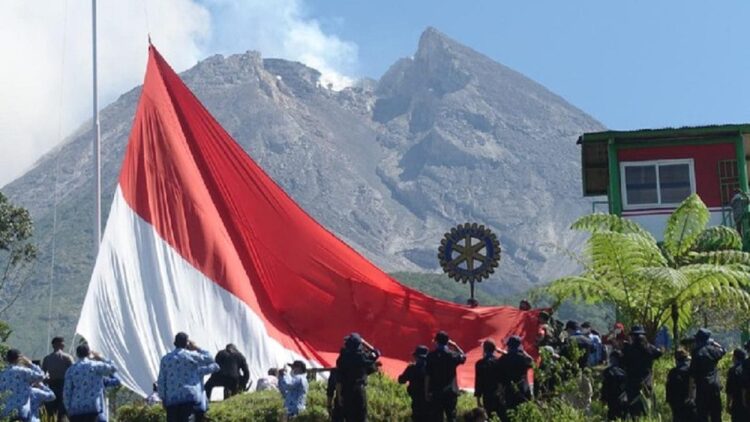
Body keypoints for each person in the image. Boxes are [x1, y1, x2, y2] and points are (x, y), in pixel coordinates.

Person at [157, 332, 219, 422]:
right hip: (188, 396)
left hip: (171, 398)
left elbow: (162, 380)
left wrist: (163, 397)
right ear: (187, 343)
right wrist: (196, 348)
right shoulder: (191, 356)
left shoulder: (166, 359)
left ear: (175, 343)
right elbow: (209, 358)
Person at [63, 344, 117, 422]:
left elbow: (67, 392)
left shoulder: (71, 370)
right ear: (88, 353)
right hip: (93, 408)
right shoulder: (95, 366)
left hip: (76, 410)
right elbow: (114, 368)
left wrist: (68, 409)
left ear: (77, 354)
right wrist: (101, 358)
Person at [335, 333, 380, 422]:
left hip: (346, 390)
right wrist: (364, 342)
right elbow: (376, 353)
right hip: (358, 390)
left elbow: (339, 378)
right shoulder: (361, 357)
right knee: (361, 416)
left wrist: (339, 395)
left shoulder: (342, 358)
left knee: (349, 417)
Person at [621, 325, 662, 418]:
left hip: (632, 384)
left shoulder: (629, 350)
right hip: (646, 384)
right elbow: (659, 353)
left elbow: (623, 362)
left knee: (634, 411)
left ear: (633, 337)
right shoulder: (649, 349)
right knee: (647, 409)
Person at [425, 331, 466, 422]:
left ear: (436, 341)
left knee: (436, 417)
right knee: (451, 417)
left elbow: (428, 376)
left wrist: (426, 391)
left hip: (436, 392)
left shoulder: (431, 356)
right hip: (450, 392)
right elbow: (464, 357)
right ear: (447, 342)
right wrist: (455, 346)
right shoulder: (452, 355)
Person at [689, 328, 726, 422]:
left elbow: (692, 375)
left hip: (702, 387)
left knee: (702, 414)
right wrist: (713, 343)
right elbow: (723, 350)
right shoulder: (713, 350)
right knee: (716, 413)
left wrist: (691, 394)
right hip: (714, 386)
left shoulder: (696, 353)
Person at [0, 349, 44, 421]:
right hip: (22, 408)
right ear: (19, 359)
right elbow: (41, 376)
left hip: (6, 410)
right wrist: (30, 364)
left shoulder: (2, 373)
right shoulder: (23, 371)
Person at [496, 336, 533, 422]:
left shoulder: (503, 359)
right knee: (523, 414)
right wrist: (523, 351)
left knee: (510, 415)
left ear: (509, 346)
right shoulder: (523, 358)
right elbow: (531, 362)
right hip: (523, 389)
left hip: (509, 390)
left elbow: (498, 374)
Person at [42, 336, 74, 422]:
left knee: (52, 412)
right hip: (65, 386)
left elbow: (42, 375)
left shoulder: (47, 358)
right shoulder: (67, 357)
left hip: (51, 385)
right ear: (60, 344)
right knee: (63, 412)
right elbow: (74, 372)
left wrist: (46, 381)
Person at [398, 345, 429, 422]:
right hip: (429, 400)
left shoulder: (412, 368)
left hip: (416, 399)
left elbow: (401, 380)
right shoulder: (430, 369)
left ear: (416, 357)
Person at [666, 348, 696, 422]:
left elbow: (668, 389)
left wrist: (670, 401)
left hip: (676, 404)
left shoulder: (672, 372)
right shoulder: (691, 370)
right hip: (689, 403)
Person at [473, 340, 500, 419]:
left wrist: (478, 398)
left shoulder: (480, 363)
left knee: (488, 416)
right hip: (498, 393)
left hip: (487, 394)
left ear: (484, 349)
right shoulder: (499, 361)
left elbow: (478, 382)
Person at [600, 350, 627, 421]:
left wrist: (603, 399)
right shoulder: (624, 371)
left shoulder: (608, 371)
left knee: (611, 417)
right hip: (622, 399)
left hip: (611, 399)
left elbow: (605, 387)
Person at [726, 348, 748, 422]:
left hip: (737, 403)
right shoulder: (747, 368)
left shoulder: (733, 370)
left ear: (735, 357)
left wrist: (728, 404)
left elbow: (729, 390)